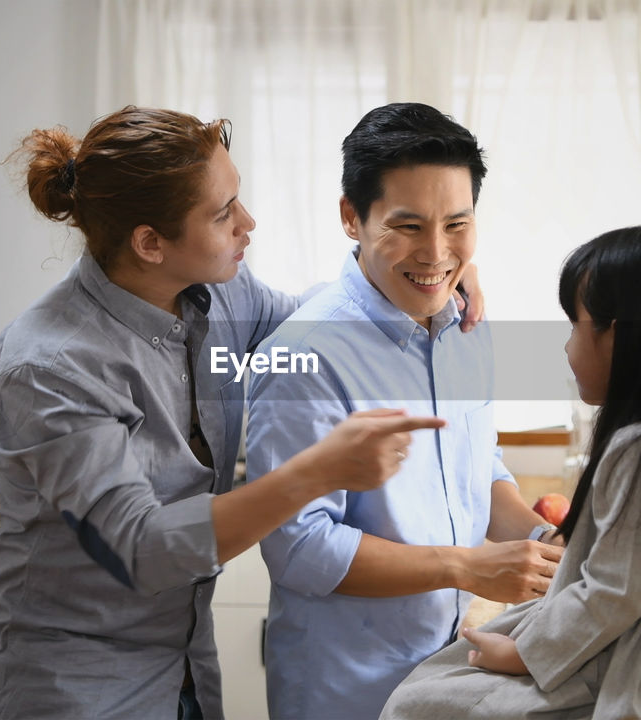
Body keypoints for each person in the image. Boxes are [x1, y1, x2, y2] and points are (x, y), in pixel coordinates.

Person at [0, 106, 491, 720]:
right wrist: (315, 474)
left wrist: (439, 271)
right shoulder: (51, 366)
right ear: (149, 243)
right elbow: (143, 550)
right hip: (70, 685)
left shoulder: (218, 293)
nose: (248, 222)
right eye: (222, 213)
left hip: (184, 666)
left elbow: (319, 318)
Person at [244, 102, 565, 720]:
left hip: (444, 676)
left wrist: (539, 541)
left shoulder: (466, 326)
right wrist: (468, 567)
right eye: (409, 226)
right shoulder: (303, 354)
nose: (438, 253)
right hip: (345, 692)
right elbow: (299, 547)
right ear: (351, 217)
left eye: (458, 223)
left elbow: (480, 470)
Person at [379, 223, 641, 719]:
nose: (566, 346)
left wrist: (522, 654)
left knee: (418, 702)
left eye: (575, 325)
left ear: (619, 338)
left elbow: (612, 592)